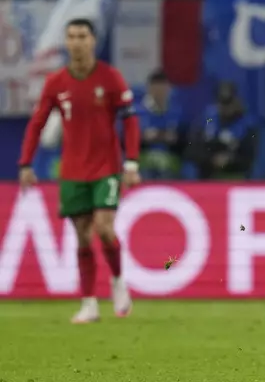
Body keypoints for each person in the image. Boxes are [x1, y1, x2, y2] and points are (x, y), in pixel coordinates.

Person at [18, 18, 141, 324]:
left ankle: (117, 280)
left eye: (81, 36)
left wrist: (132, 162)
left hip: (106, 167)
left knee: (103, 227)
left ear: (92, 41)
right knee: (83, 237)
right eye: (70, 36)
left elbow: (130, 121)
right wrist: (25, 163)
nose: (75, 41)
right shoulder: (56, 82)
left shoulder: (111, 78)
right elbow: (37, 123)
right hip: (72, 170)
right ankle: (89, 304)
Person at [138, 69, 182, 179]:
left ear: (168, 88)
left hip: (169, 162)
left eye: (162, 87)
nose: (159, 91)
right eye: (155, 86)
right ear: (149, 88)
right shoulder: (138, 112)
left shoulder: (176, 112)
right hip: (145, 163)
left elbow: (182, 139)